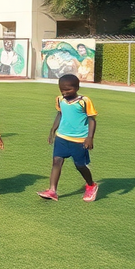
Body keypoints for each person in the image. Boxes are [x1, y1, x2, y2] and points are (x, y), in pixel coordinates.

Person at [38, 74, 98, 202]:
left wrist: (90, 137)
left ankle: (91, 185)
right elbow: (60, 114)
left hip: (79, 141)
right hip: (62, 138)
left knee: (80, 165)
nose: (64, 92)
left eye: (68, 90)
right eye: (62, 90)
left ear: (77, 87)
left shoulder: (84, 101)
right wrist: (53, 130)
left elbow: (92, 119)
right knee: (56, 162)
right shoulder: (60, 99)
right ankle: (52, 190)